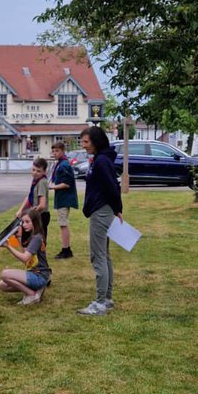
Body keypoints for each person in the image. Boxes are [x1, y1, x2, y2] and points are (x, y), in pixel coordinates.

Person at [77, 125, 123, 316]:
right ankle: (107, 298)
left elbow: (112, 187)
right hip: (102, 210)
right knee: (104, 254)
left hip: (101, 212)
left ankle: (100, 303)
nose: (83, 145)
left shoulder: (102, 161)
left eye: (86, 142)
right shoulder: (100, 159)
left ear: (96, 141)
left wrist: (118, 209)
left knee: (98, 256)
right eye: (82, 142)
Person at [0, 208, 51, 306]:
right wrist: (19, 238)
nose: (24, 225)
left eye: (27, 222)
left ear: (35, 222)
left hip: (39, 276)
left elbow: (24, 258)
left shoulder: (36, 238)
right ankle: (35, 289)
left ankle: (31, 294)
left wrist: (8, 246)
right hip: (34, 273)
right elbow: (27, 256)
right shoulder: (34, 236)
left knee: (4, 274)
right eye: (22, 222)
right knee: (2, 285)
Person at [49, 140, 78, 259]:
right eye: (53, 151)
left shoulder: (64, 165)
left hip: (65, 198)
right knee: (62, 224)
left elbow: (66, 184)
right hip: (61, 198)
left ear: (63, 151)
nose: (55, 153)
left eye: (57, 151)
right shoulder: (60, 163)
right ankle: (66, 249)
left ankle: (66, 250)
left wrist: (51, 187)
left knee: (63, 224)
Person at [16, 157, 50, 243]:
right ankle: (30, 255)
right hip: (35, 214)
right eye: (33, 170)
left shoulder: (41, 182)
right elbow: (29, 196)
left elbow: (42, 205)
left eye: (38, 171)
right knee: (30, 238)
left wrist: (30, 214)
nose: (35, 173)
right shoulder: (36, 180)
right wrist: (21, 210)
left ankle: (38, 256)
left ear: (44, 172)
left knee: (38, 241)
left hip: (41, 215)